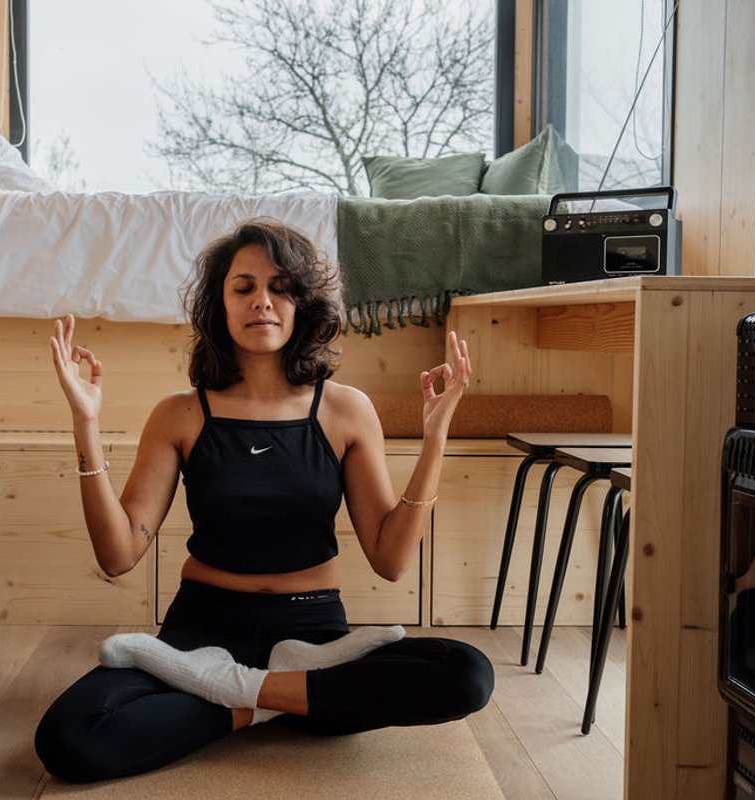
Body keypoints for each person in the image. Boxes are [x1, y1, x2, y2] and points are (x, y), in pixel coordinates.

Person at [34, 218, 494, 783]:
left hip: (315, 636)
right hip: (201, 630)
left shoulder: (344, 410)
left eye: (280, 287)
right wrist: (85, 423)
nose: (263, 302)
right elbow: (117, 554)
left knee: (467, 673)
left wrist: (435, 440)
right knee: (68, 739)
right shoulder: (179, 413)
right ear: (220, 305)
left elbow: (391, 560)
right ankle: (278, 699)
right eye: (244, 287)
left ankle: (237, 694)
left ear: (302, 303)